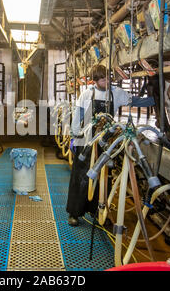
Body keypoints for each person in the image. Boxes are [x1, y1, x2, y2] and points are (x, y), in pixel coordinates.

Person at [66, 64, 155, 226]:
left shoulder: (117, 93)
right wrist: (74, 137)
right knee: (80, 177)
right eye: (102, 79)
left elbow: (135, 101)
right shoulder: (87, 94)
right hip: (86, 142)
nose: (107, 81)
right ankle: (74, 213)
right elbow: (77, 115)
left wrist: (156, 99)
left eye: (108, 77)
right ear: (95, 80)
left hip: (105, 142)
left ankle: (99, 212)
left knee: (103, 178)